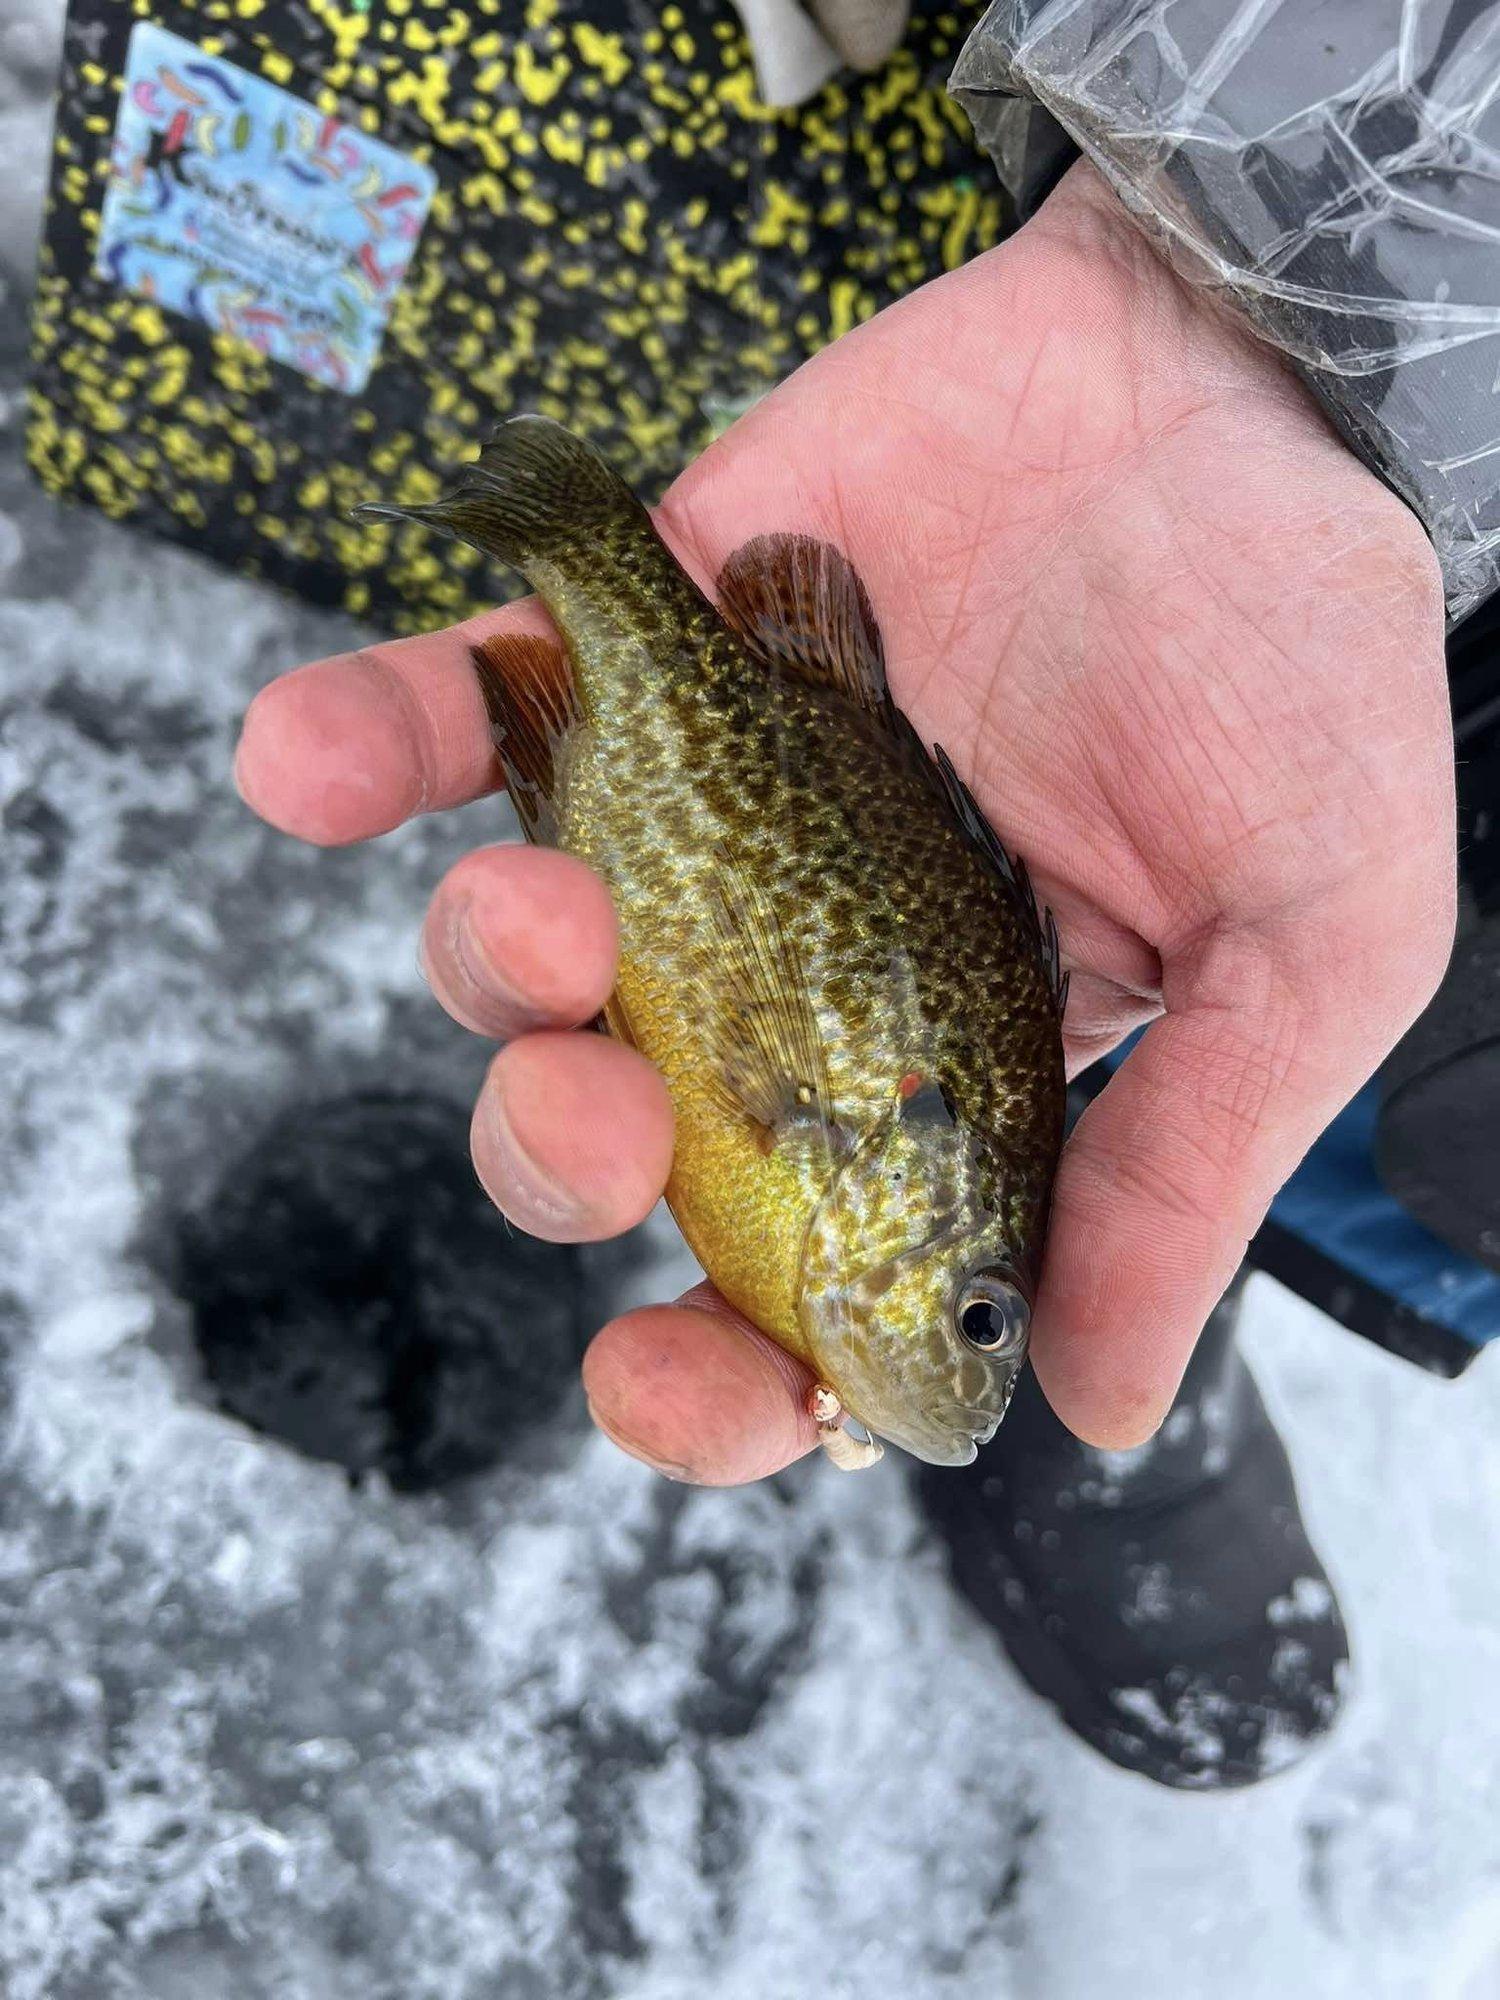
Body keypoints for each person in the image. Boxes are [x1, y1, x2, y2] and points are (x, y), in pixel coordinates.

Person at [234, 40, 1467, 1784]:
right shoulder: (879, 1153)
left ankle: (1195, 1285)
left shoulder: (868, 1176)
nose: (962, 1351)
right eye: (977, 1316)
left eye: (984, 1319)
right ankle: (1155, 1274)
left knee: (1279, 1118)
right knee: (1230, 1060)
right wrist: (1272, 317)